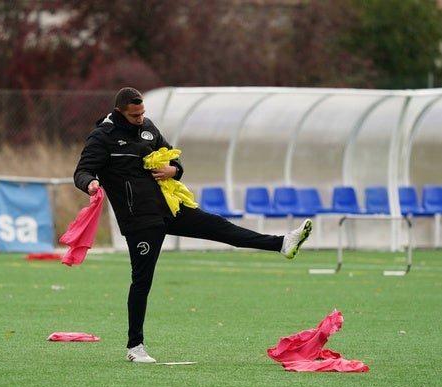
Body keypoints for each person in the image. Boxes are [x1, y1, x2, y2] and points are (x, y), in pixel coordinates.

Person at [73, 87, 312, 363]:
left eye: (142, 114)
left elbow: (174, 159)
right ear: (119, 112)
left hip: (169, 207)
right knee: (142, 281)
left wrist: (173, 170)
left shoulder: (148, 129)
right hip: (138, 219)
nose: (140, 119)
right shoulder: (102, 137)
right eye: (134, 115)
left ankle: (282, 244)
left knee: (222, 228)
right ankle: (134, 347)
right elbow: (82, 170)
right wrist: (89, 183)